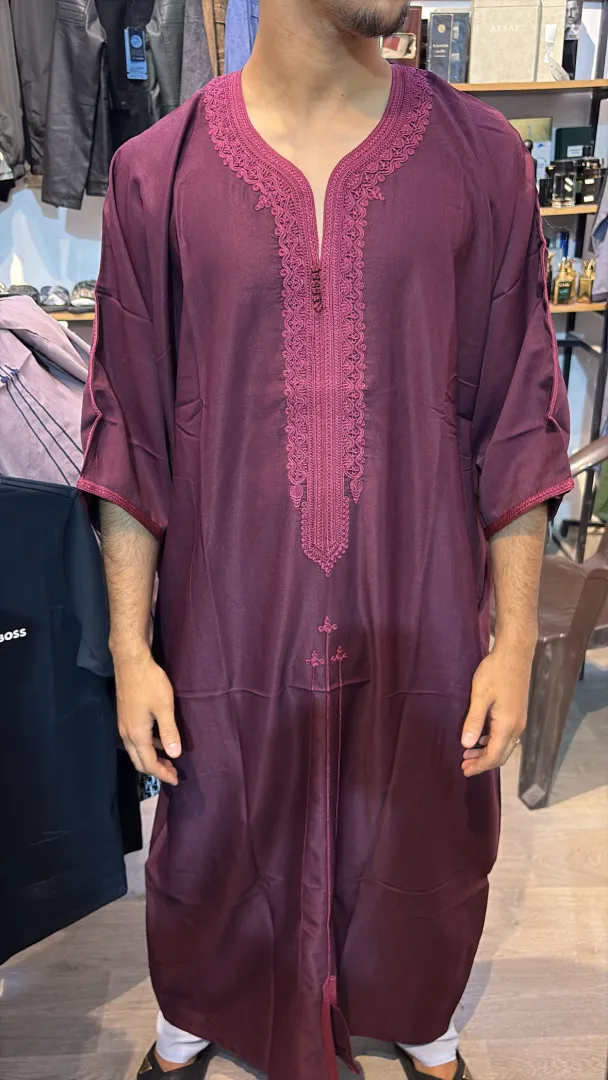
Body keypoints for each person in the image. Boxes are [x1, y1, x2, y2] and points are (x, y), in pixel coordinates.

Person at [78, 0, 573, 1077]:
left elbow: (519, 415)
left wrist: (512, 641)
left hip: (420, 612)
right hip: (227, 622)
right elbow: (129, 431)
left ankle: (419, 1009)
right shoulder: (157, 175)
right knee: (214, 822)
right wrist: (128, 648)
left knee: (423, 822)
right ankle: (197, 1009)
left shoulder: (482, 160)